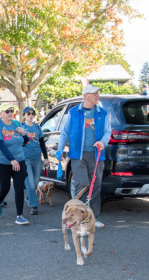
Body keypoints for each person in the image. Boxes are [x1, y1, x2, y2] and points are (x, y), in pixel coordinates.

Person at [56, 84, 111, 228]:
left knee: (95, 186)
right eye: (95, 93)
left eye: (98, 93)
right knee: (82, 184)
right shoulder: (74, 112)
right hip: (78, 155)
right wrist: (60, 149)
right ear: (86, 96)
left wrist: (102, 142)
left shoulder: (102, 113)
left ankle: (93, 217)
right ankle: (78, 218)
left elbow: (107, 131)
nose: (97, 96)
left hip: (96, 155)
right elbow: (65, 132)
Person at [0, 103, 30, 225]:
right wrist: (11, 159)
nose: (10, 113)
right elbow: (0, 144)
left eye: (11, 111)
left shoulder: (17, 124)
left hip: (19, 160)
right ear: (1, 113)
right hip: (2, 162)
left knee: (19, 187)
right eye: (7, 111)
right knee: (5, 187)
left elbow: (25, 141)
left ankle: (19, 215)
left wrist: (24, 134)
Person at [22, 106, 49, 215]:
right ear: (24, 115)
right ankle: (34, 205)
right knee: (31, 184)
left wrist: (46, 157)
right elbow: (17, 142)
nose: (31, 116)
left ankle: (29, 196)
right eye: (28, 114)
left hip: (37, 158)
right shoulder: (21, 127)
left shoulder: (37, 127)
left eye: (32, 114)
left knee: (36, 181)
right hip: (25, 158)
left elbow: (42, 143)